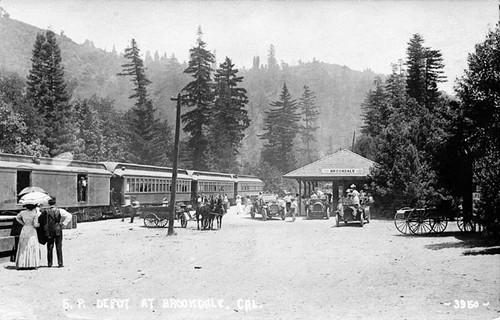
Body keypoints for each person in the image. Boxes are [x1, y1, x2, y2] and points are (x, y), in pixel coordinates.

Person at [39, 197, 72, 268]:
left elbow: (40, 220)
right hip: (58, 230)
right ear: (55, 203)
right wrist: (63, 223)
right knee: (59, 247)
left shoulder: (45, 212)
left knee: (50, 247)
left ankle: (49, 263)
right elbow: (69, 216)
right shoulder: (60, 210)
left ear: (48, 204)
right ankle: (60, 263)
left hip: (49, 231)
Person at [15, 202, 41, 270]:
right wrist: (38, 225)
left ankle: (22, 263)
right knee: (31, 245)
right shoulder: (34, 214)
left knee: (23, 245)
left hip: (25, 228)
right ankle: (32, 263)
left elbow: (17, 218)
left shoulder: (22, 212)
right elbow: (35, 225)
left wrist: (23, 223)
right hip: (32, 230)